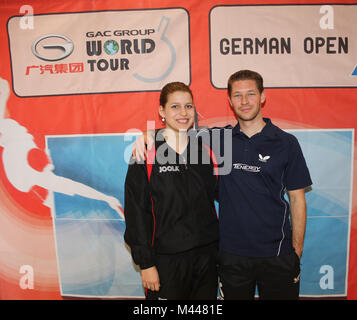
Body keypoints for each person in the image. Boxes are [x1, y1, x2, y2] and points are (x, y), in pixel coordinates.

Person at [132, 70, 312, 300]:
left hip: (278, 254)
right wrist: (149, 135)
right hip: (231, 257)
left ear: (263, 97)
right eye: (237, 95)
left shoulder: (286, 143)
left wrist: (296, 252)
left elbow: (298, 200)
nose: (244, 101)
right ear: (229, 100)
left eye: (250, 94)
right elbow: (178, 130)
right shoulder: (218, 140)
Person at [124, 82, 219, 300]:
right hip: (165, 260)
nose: (183, 113)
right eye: (175, 107)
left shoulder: (205, 150)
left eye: (188, 106)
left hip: (207, 258)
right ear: (162, 111)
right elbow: (135, 211)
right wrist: (146, 263)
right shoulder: (146, 151)